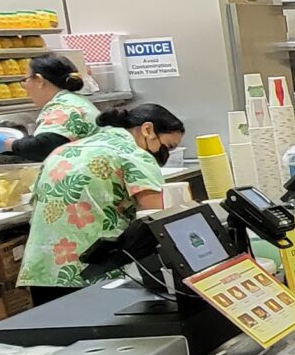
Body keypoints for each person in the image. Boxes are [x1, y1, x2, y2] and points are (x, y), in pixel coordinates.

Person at [16, 103, 184, 303]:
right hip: (90, 271)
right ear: (148, 130)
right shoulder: (134, 154)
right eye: (168, 146)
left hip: (41, 269)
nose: (166, 154)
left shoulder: (63, 151)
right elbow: (159, 217)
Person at [0, 54, 98, 162]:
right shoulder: (73, 100)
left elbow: (44, 146)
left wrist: (9, 144)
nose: (25, 87)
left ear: (39, 80)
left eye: (25, 80)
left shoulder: (63, 106)